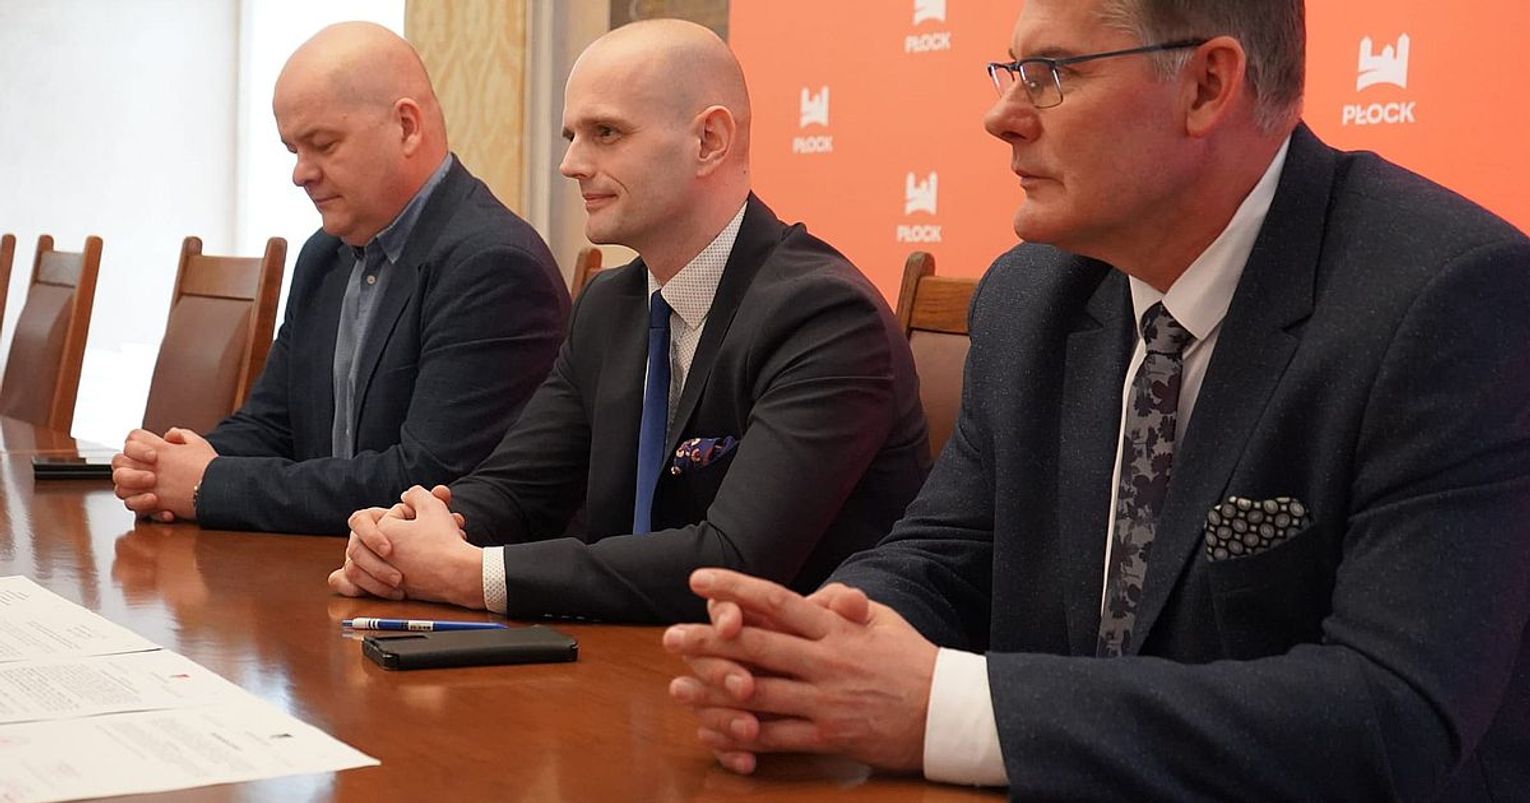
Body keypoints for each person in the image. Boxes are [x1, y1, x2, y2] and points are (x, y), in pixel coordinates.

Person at [662, 1, 1530, 799]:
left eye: (1052, 72)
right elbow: (944, 554)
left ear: (1207, 85)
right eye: (1012, 72)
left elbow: (1391, 711)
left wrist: (943, 707)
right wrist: (820, 647)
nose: (1002, 115)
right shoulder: (1030, 295)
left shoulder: (1448, 299)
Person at [326, 19, 929, 624]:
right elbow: (516, 488)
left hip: (778, 668)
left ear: (710, 141)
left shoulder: (825, 317)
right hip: (624, 654)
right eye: (571, 136)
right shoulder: (608, 304)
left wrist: (471, 574)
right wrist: (401, 537)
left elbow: (733, 562)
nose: (570, 164)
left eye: (606, 133)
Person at [109, 22, 569, 535]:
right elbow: (271, 425)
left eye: (322, 145)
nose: (300, 173)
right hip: (327, 563)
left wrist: (207, 483)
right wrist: (167, 466)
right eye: (293, 150)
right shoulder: (324, 256)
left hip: (428, 582)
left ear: (406, 127)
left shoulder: (493, 266)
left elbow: (425, 483)